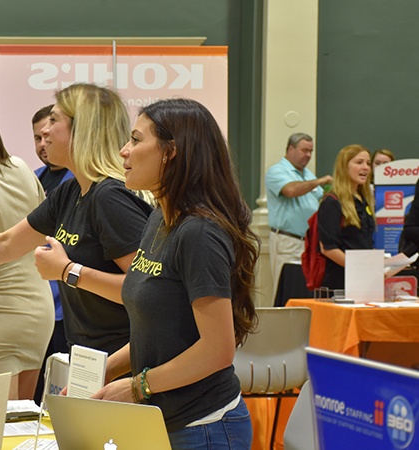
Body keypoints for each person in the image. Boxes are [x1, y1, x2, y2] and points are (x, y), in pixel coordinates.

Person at [0, 85, 152, 400]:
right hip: (88, 353)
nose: (44, 130)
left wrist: (69, 271)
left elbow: (147, 291)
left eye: (54, 120)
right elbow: (4, 244)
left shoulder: (109, 198)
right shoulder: (69, 194)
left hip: (123, 360)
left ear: (80, 131)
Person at [95, 98, 258, 448]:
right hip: (164, 422)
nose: (124, 151)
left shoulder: (199, 233)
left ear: (170, 152)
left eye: (136, 140)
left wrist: (137, 386)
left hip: (204, 428)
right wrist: (106, 369)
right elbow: (159, 334)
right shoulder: (158, 218)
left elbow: (217, 350)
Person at [29, 104, 73, 404]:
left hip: (67, 306)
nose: (43, 143)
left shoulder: (80, 183)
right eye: (37, 138)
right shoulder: (31, 179)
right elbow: (10, 240)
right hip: (36, 300)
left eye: (49, 133)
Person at [265, 133, 332, 298]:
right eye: (304, 150)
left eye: (311, 151)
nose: (308, 155)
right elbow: (291, 190)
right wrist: (319, 182)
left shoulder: (308, 175)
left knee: (305, 291)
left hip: (308, 243)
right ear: (290, 149)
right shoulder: (277, 171)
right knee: (285, 290)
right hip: (287, 242)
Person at [317, 145, 375, 290]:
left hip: (364, 280)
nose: (366, 168)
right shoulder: (332, 202)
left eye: (368, 163)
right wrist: (359, 268)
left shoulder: (364, 200)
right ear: (344, 166)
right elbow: (328, 248)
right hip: (340, 282)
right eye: (359, 162)